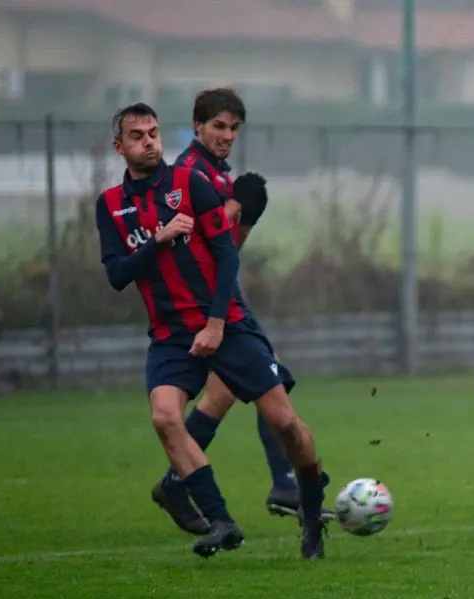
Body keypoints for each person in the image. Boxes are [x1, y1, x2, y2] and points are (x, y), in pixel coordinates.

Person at [95, 102, 327, 560]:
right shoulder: (110, 205)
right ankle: (221, 521)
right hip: (171, 334)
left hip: (227, 324)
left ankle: (311, 509)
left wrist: (218, 323)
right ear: (119, 147)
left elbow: (226, 255)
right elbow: (118, 274)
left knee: (285, 424)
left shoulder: (189, 184)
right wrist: (159, 241)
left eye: (154, 133)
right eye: (138, 136)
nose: (149, 142)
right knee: (165, 416)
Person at [150, 88, 334, 534]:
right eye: (218, 126)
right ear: (197, 126)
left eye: (233, 128)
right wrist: (236, 207)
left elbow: (225, 248)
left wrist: (246, 217)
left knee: (224, 394)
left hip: (220, 301)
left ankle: (179, 483)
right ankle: (286, 484)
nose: (227, 135)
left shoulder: (215, 173)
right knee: (270, 397)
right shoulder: (188, 174)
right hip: (208, 310)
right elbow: (191, 247)